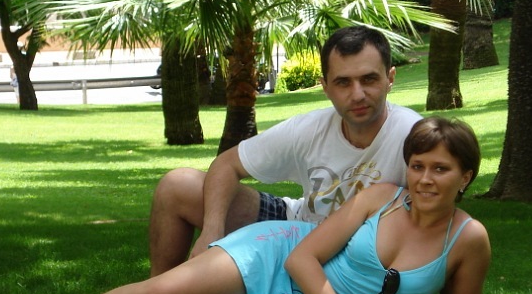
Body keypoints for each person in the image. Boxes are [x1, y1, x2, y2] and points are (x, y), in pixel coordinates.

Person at [0, 117, 491, 294]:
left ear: (466, 176)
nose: (424, 180)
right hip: (276, 256)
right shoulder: (380, 197)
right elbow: (303, 258)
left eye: (440, 169)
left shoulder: (469, 240)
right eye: (417, 166)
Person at [149, 25, 422, 276]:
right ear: (325, 87)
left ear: (390, 78)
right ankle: (159, 290)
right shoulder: (309, 129)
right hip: (297, 228)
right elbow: (226, 164)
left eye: (369, 79)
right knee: (177, 185)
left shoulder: (413, 137)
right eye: (343, 82)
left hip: (356, 256)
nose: (358, 94)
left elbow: (439, 217)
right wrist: (212, 231)